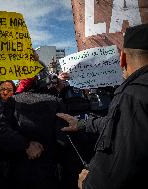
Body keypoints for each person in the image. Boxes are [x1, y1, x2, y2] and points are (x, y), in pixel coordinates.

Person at [57, 24, 148, 189]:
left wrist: (89, 182)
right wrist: (83, 123)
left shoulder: (132, 94)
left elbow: (118, 161)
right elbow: (119, 124)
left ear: (122, 58)